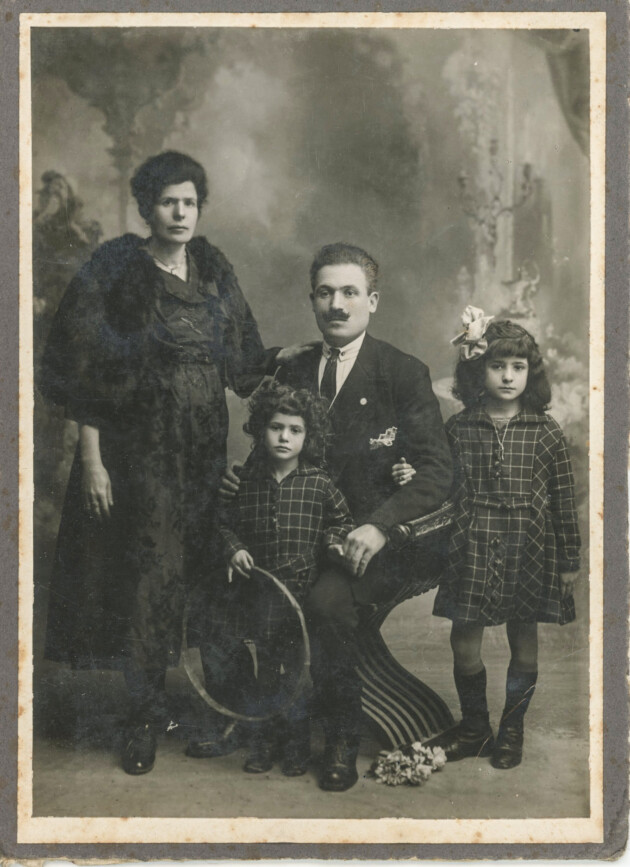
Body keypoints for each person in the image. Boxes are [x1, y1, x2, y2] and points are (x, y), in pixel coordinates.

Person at [38, 151, 304, 775]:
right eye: (167, 202)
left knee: (211, 569)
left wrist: (290, 357)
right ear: (146, 209)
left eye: (189, 202)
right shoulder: (116, 272)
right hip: (140, 455)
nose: (179, 213)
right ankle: (143, 719)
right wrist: (93, 461)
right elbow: (84, 373)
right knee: (150, 580)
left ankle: (230, 710)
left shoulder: (213, 270)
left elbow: (243, 364)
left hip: (204, 452)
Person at [221, 242, 453, 791]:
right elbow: (273, 446)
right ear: (312, 301)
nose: (337, 305)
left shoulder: (401, 372)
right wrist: (245, 482)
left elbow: (437, 471)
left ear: (373, 301)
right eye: (325, 293)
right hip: (293, 535)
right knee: (222, 583)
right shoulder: (295, 367)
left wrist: (380, 525)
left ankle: (341, 737)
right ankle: (263, 721)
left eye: (350, 292)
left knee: (325, 604)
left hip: (372, 543)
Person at [428, 309, 581, 769]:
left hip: (528, 546)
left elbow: (563, 500)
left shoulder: (546, 432)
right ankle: (475, 728)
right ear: (479, 370)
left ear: (531, 372)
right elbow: (441, 485)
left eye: (518, 366)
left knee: (524, 637)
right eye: (497, 366)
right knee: (464, 641)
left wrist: (569, 560)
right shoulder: (460, 428)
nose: (508, 376)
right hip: (471, 542)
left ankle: (512, 730)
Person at [214, 381, 354, 777]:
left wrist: (333, 543)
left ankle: (296, 747)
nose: (284, 437)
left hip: (302, 597)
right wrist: (234, 549)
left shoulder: (319, 482)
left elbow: (343, 522)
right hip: (260, 596)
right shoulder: (247, 480)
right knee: (265, 673)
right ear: (262, 429)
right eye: (276, 427)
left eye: (295, 430)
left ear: (308, 437)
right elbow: (223, 524)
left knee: (296, 676)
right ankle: (264, 744)